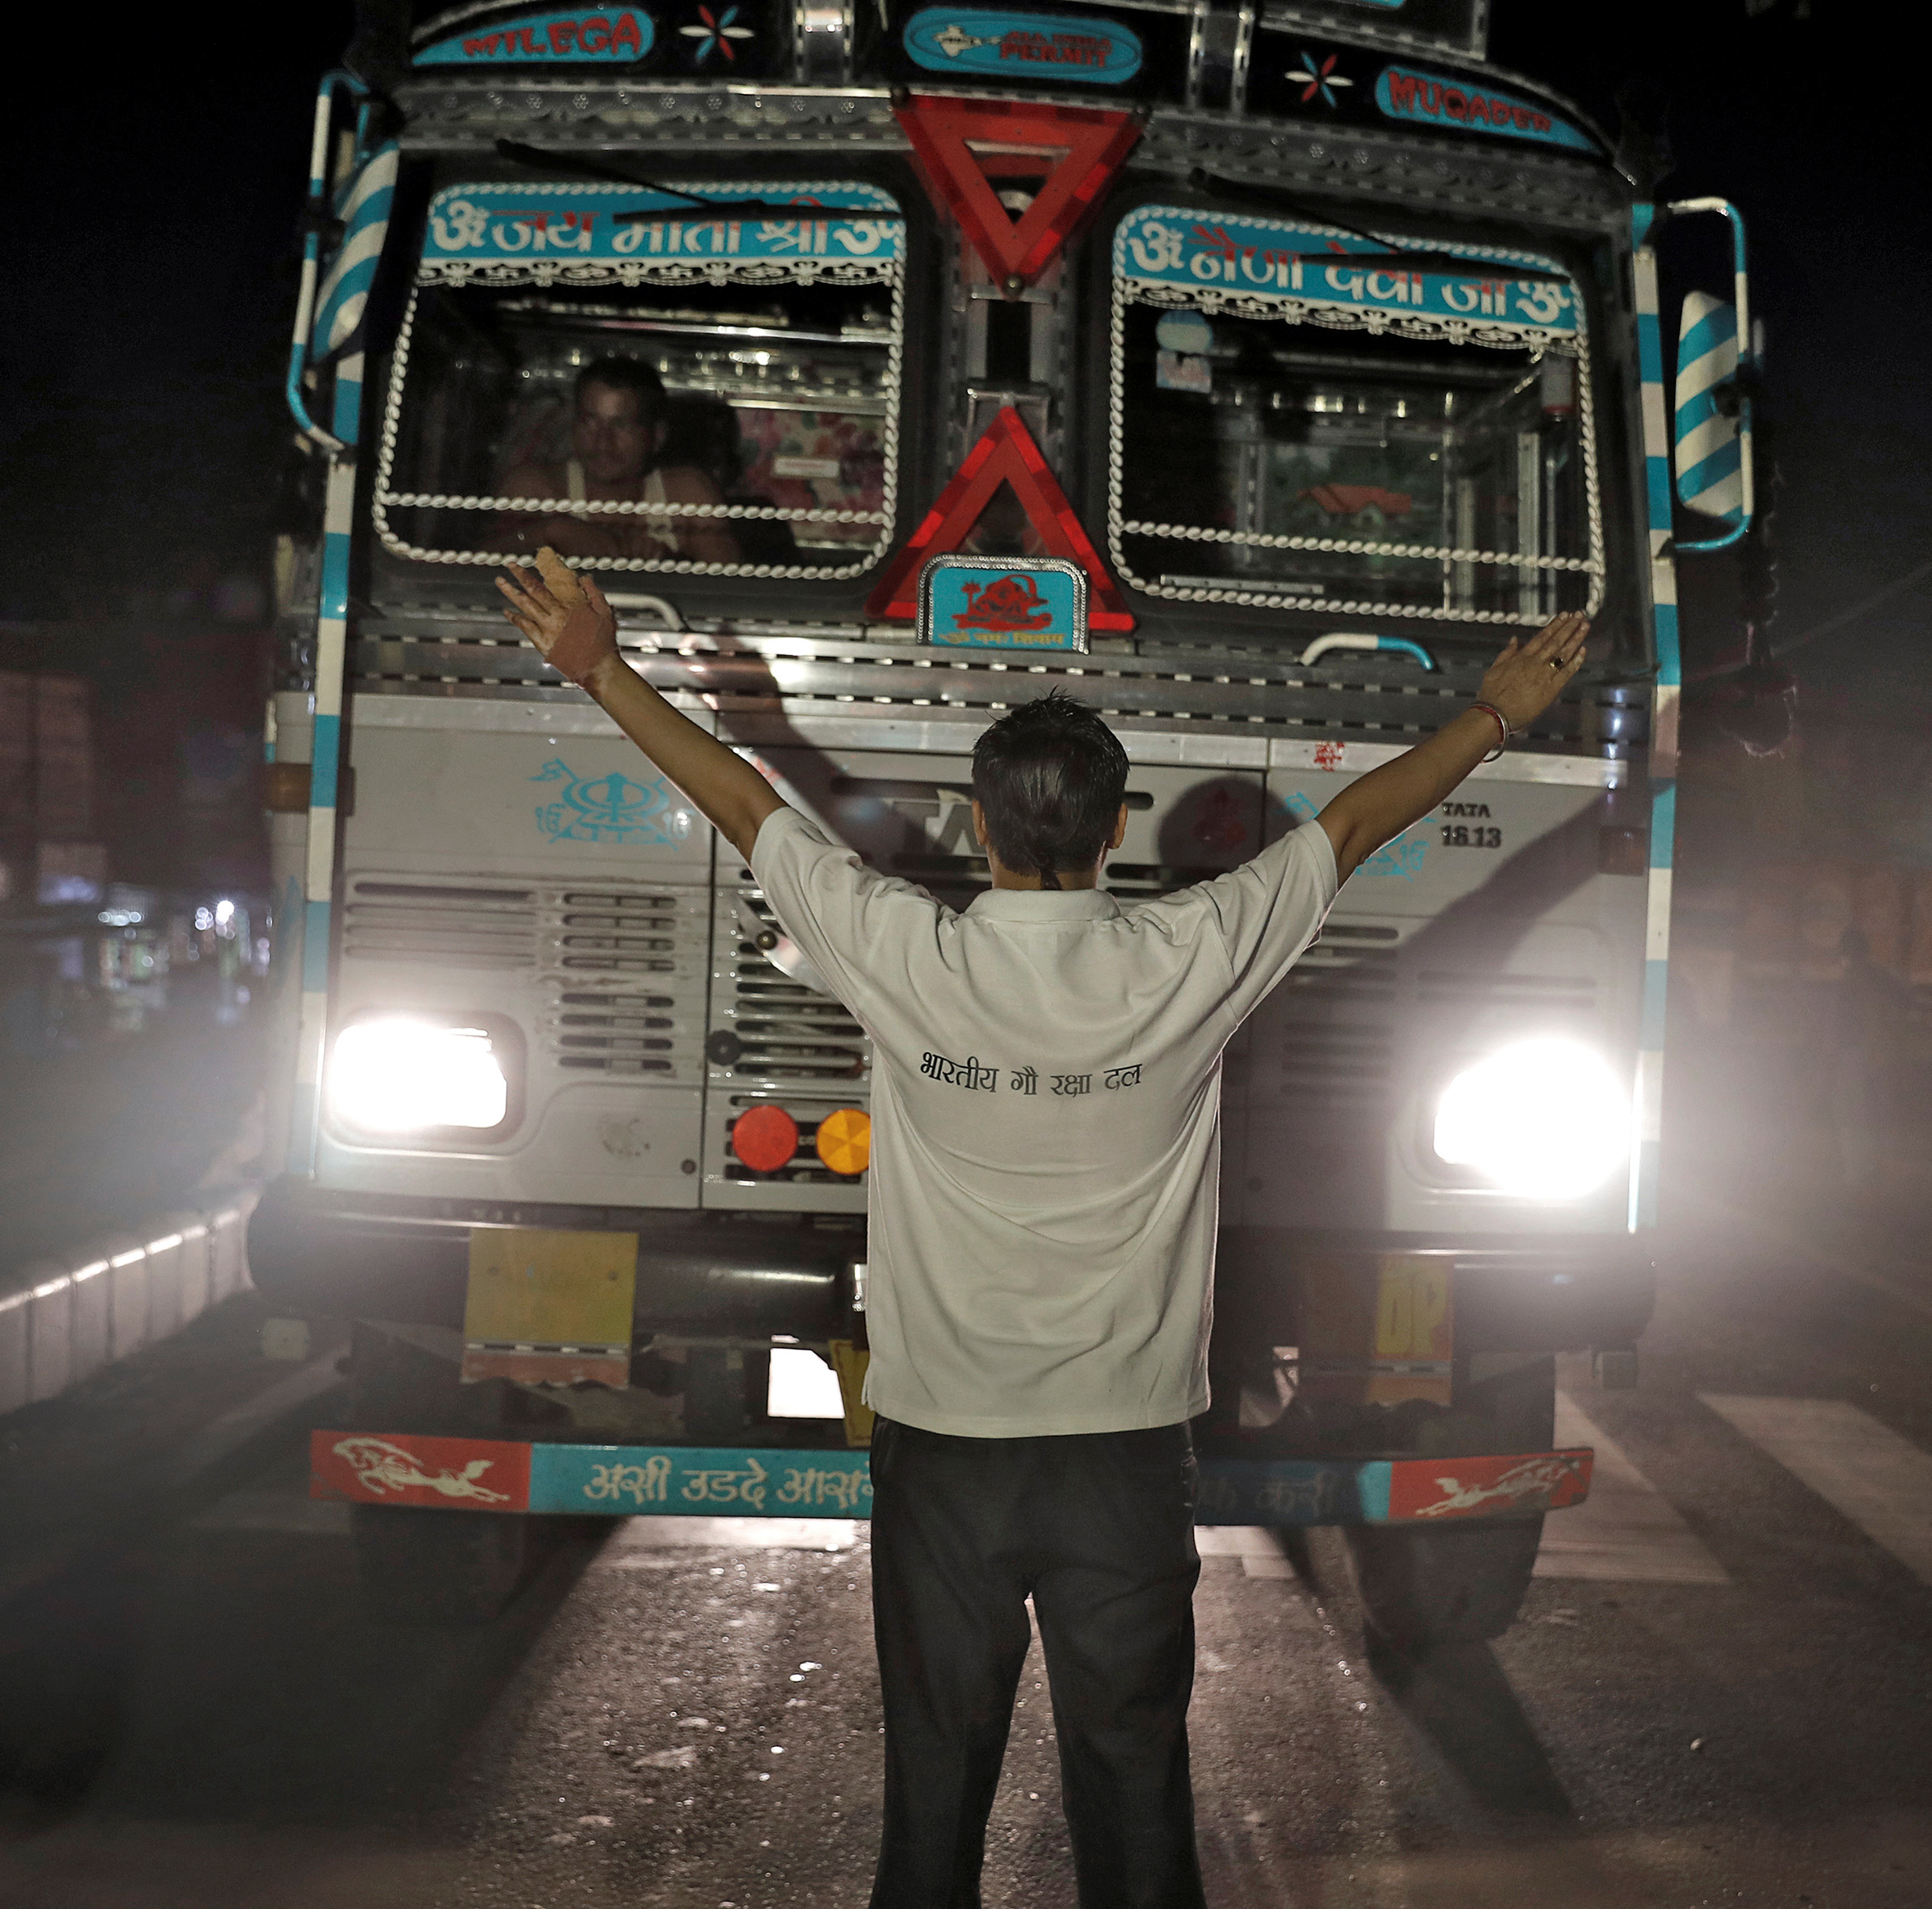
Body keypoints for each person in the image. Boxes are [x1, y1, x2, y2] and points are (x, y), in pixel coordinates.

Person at [493, 547, 1589, 1909]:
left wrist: (603, 665)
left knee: (935, 1782)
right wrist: (1495, 714)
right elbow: (1354, 826)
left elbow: (740, 803)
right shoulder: (1187, 956)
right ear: (1117, 827)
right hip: (1125, 1459)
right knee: (1132, 1781)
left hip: (947, 1451)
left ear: (974, 821)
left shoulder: (905, 951)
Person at [489, 357, 742, 564]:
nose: (602, 442)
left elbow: (734, 591)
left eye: (621, 426)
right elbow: (469, 567)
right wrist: (549, 533)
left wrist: (670, 561)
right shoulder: (535, 488)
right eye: (590, 422)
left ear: (656, 436)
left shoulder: (687, 494)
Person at [1817, 924, 1904, 1191]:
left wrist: (1826, 1067)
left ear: (1845, 953)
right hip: (1882, 1057)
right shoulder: (1883, 978)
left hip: (1853, 1057)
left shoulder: (1848, 983)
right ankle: (1876, 1172)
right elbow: (1904, 1007)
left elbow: (1837, 1029)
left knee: (1850, 1117)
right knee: (1875, 1115)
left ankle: (1858, 1178)